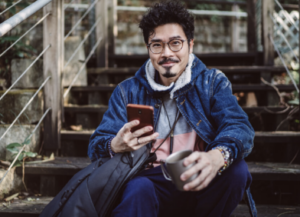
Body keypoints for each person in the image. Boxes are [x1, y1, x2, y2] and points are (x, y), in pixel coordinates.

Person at [88, 1, 256, 217]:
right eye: (157, 45)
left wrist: (216, 157)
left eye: (175, 43)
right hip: (149, 182)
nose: (166, 53)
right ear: (148, 48)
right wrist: (114, 144)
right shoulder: (126, 91)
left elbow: (239, 126)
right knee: (138, 188)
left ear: (191, 44)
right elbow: (95, 145)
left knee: (236, 171)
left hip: (198, 175)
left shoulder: (212, 82)